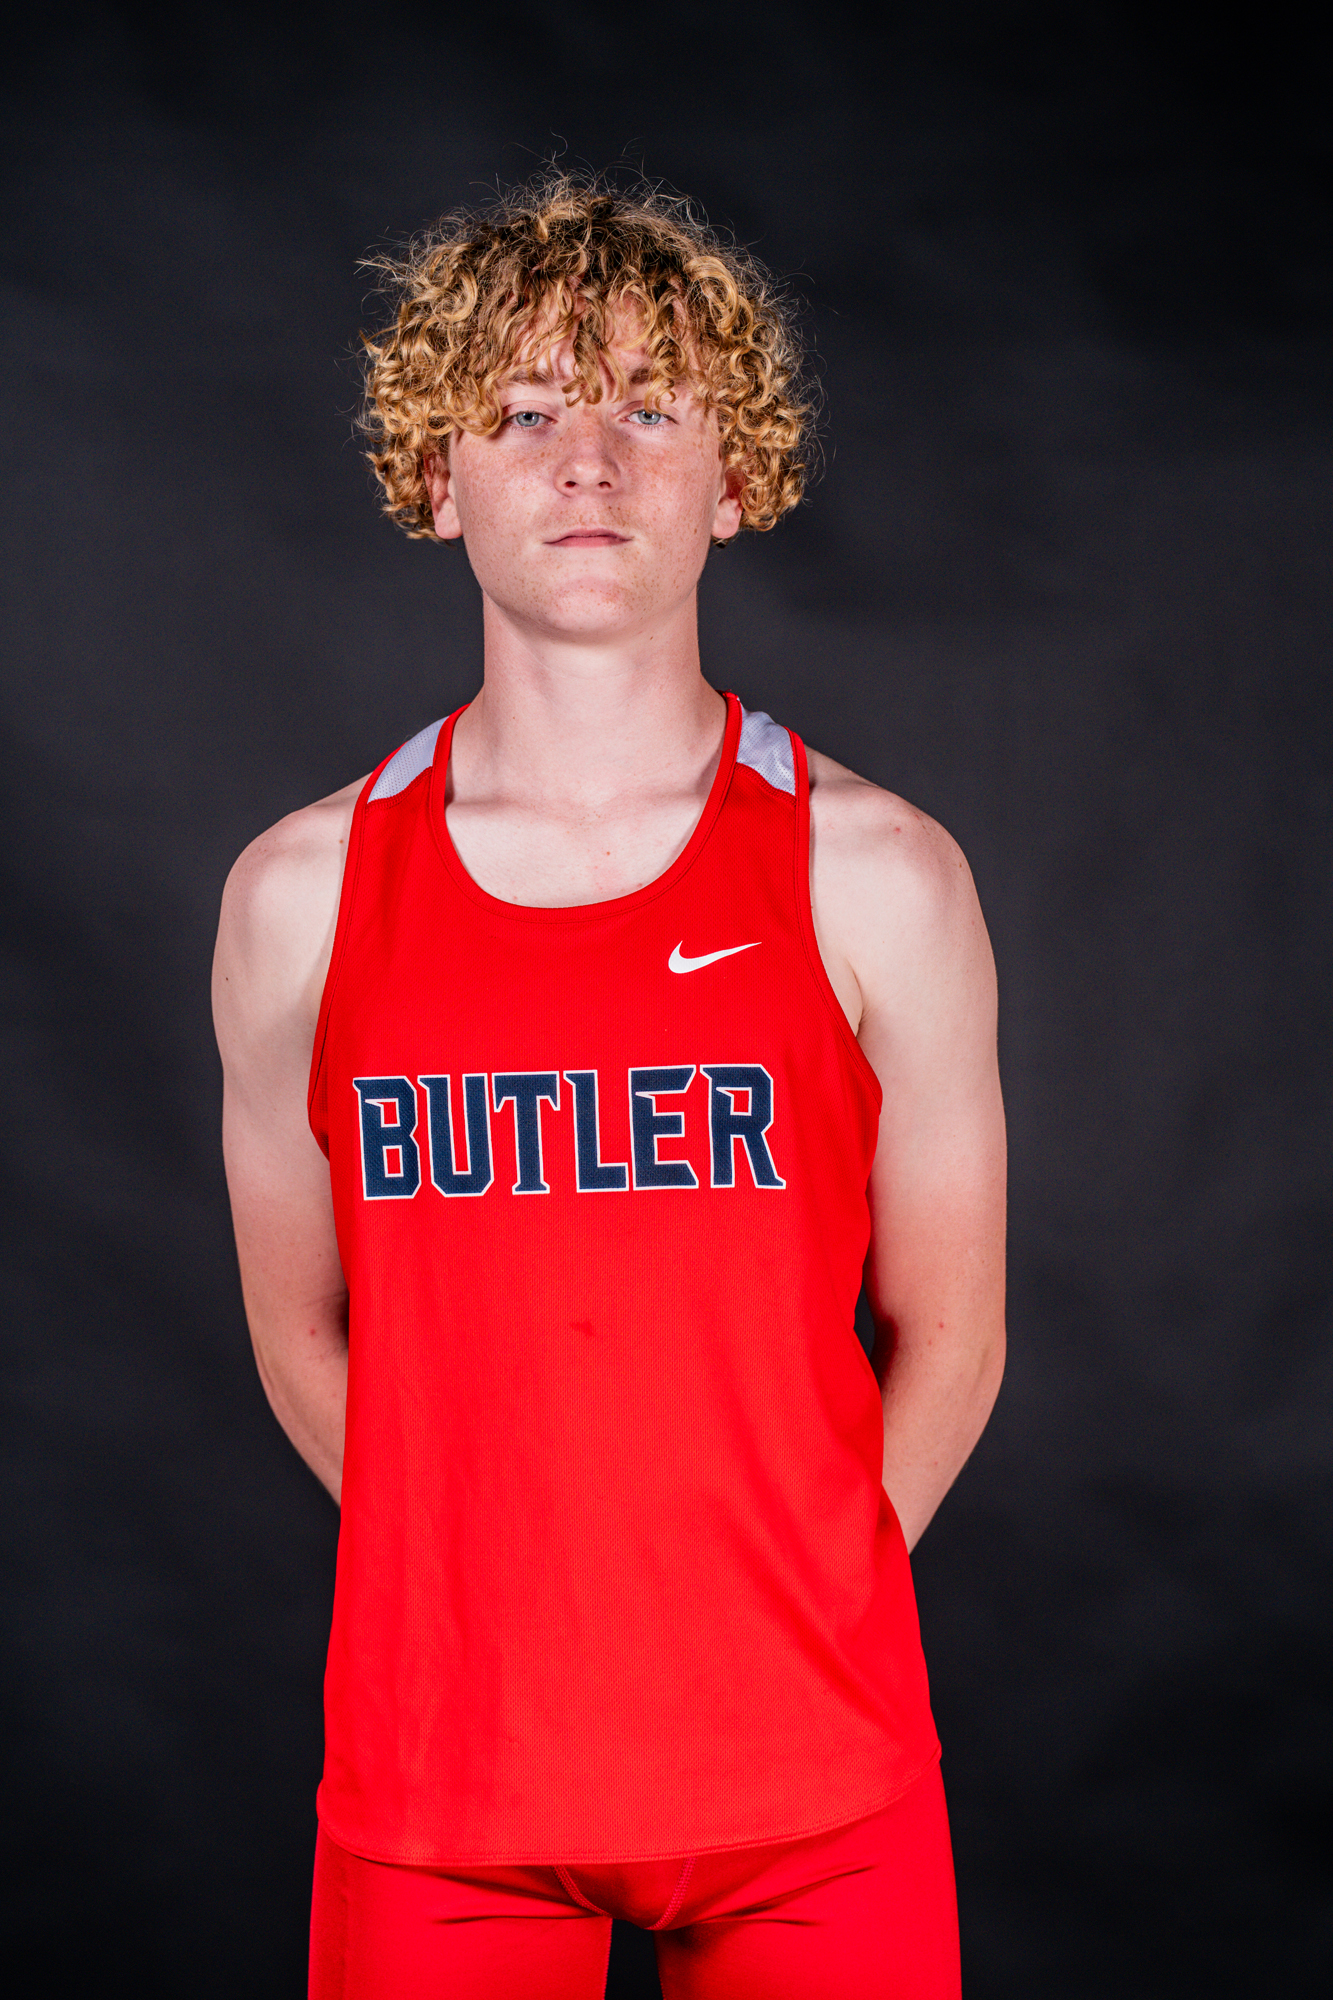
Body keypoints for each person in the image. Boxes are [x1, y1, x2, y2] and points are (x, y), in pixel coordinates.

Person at [212, 175, 1006, 2000]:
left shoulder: (879, 872)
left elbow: (952, 1334)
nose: (587, 461)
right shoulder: (298, 898)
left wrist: (773, 1601)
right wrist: (487, 1585)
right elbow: (300, 1329)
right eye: (520, 413)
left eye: (650, 408)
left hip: (813, 1781)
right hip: (446, 1778)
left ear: (733, 477)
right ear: (438, 478)